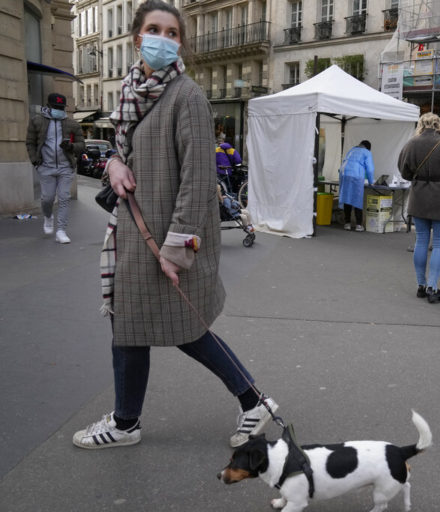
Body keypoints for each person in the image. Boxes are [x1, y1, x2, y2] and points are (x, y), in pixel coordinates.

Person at [72, 0, 277, 450]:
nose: (163, 38)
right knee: (139, 326)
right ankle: (130, 420)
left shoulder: (186, 97)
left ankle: (249, 401)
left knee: (180, 327)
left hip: (164, 238)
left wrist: (178, 247)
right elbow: (127, 151)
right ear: (136, 37)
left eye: (171, 32)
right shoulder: (130, 94)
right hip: (133, 235)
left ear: (180, 41)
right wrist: (113, 165)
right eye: (154, 29)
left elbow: (200, 180)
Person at [398, 113, 440, 304]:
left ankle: (420, 285)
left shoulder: (410, 144)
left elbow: (404, 173)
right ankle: (432, 287)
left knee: (421, 240)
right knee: (439, 243)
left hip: (419, 197)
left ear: (421, 125)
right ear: (438, 125)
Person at [25, 92, 85, 244]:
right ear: (49, 106)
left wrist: (71, 146)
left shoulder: (73, 124)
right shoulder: (37, 121)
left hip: (66, 167)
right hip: (46, 167)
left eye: (61, 107)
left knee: (64, 198)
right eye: (56, 107)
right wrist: (35, 161)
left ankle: (61, 231)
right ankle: (48, 216)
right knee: (47, 199)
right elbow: (30, 142)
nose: (59, 110)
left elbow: (81, 145)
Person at [338, 140, 374, 231]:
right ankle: (358, 225)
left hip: (344, 175)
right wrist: (371, 182)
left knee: (347, 198)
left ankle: (347, 224)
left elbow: (344, 163)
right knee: (357, 199)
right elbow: (370, 169)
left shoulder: (352, 150)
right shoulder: (367, 153)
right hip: (356, 176)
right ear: (368, 148)